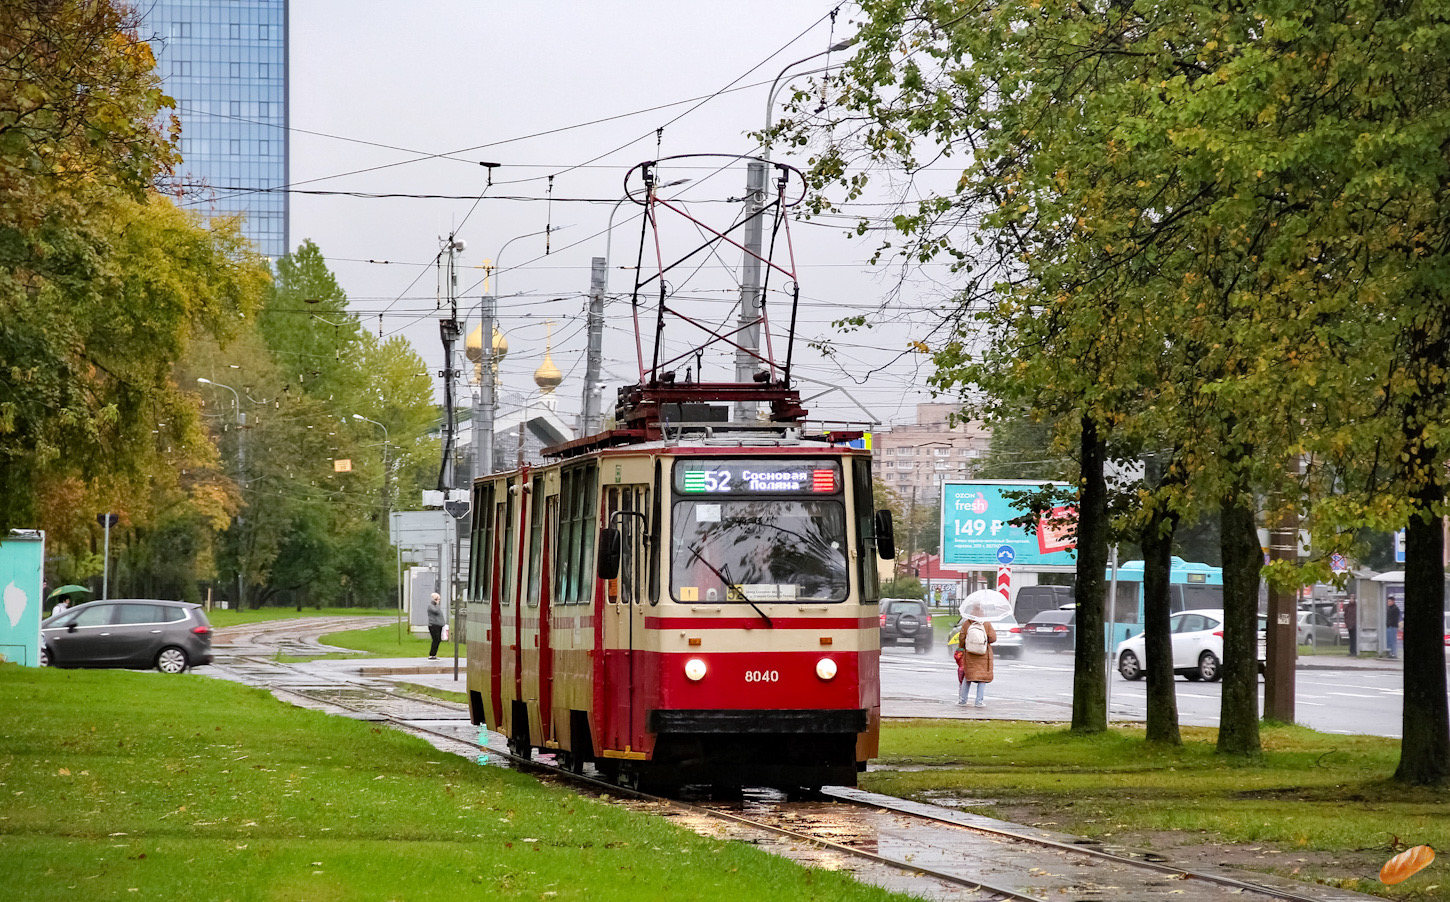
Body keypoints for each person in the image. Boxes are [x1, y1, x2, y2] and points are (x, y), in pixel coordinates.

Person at [956, 613, 997, 708]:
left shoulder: (967, 623)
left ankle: (963, 700)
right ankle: (979, 702)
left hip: (970, 653)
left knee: (968, 676)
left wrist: (962, 647)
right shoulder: (986, 623)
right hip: (984, 653)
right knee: (982, 678)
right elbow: (993, 638)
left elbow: (961, 638)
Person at [427, 592, 446, 660]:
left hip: (439, 625)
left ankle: (434, 654)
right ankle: (432, 654)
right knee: (436, 640)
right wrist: (436, 603)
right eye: (437, 599)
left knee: (438, 640)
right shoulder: (431, 606)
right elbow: (436, 611)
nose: (438, 601)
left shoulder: (436, 606)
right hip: (434, 625)